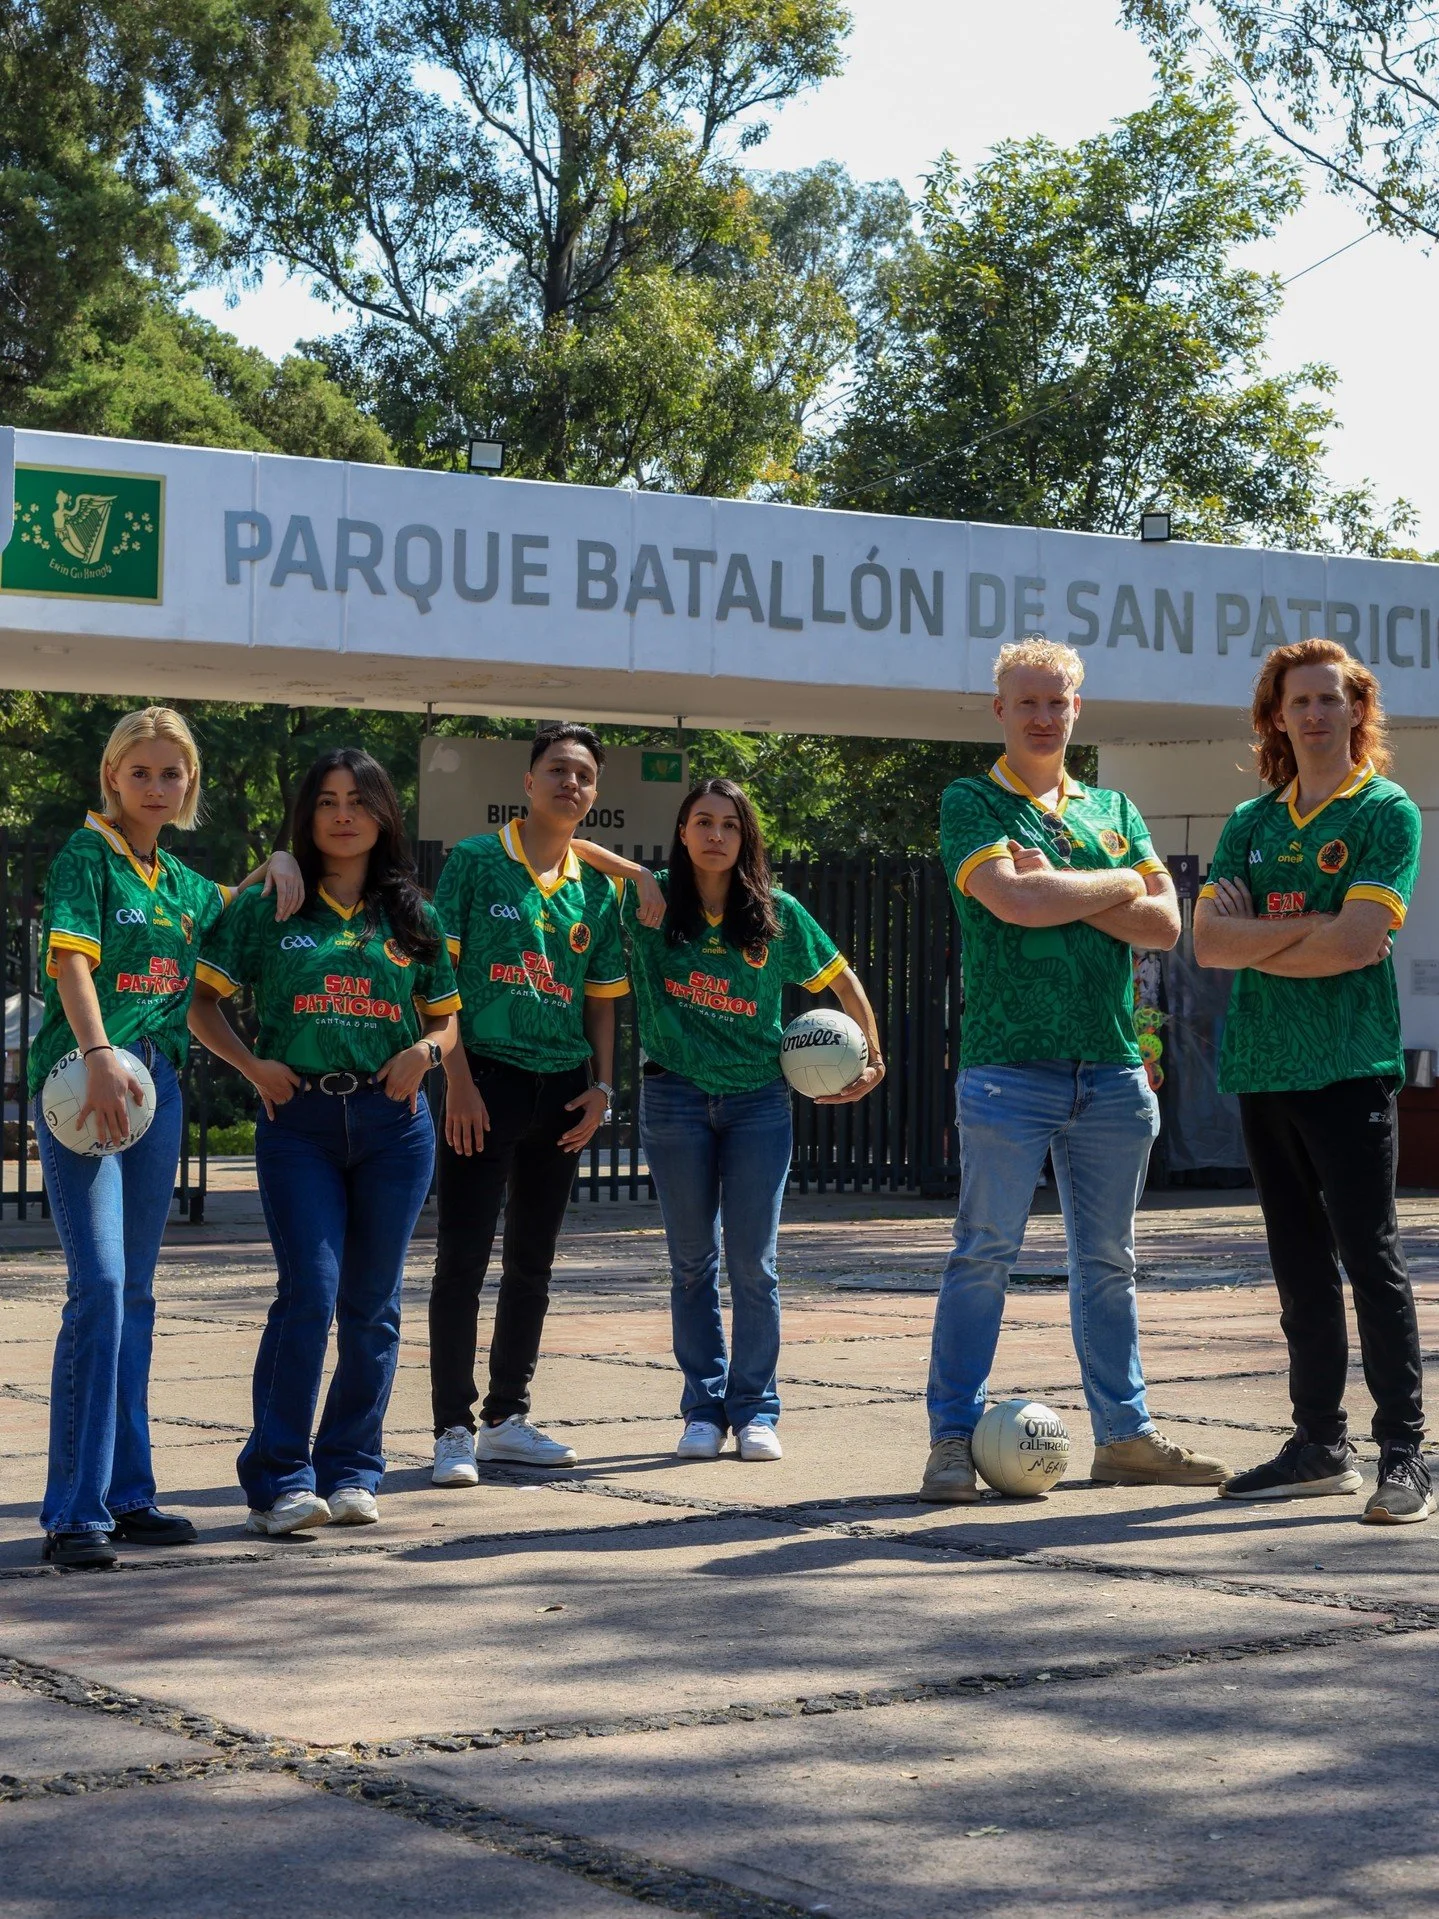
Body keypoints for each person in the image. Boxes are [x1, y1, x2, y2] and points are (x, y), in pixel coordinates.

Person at [922, 638, 1231, 1502]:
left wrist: (1062, 880)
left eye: (1057, 702)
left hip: (1110, 1069)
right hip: (1004, 1069)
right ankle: (951, 1438)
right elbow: (1012, 903)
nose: (1042, 716)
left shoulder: (1112, 804)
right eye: (1026, 702)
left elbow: (1166, 924)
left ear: (1076, 708)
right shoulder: (969, 800)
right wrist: (1111, 890)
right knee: (983, 1253)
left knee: (1109, 1262)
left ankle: (1124, 1438)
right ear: (999, 710)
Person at [31, 706, 302, 1569]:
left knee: (138, 1294)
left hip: (159, 1089)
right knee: (101, 1286)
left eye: (172, 774)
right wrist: (98, 1050)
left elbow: (240, 899)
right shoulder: (87, 858)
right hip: (87, 1081)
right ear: (112, 776)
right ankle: (74, 1512)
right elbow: (72, 961)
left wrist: (282, 858)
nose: (157, 786)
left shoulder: (176, 881)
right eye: (141, 771)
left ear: (189, 785)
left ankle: (129, 1494)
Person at [190, 749, 459, 1535]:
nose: (342, 814)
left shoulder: (414, 915)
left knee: (372, 1307)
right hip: (297, 1121)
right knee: (308, 1293)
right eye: (326, 801)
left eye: (358, 800)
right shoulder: (271, 905)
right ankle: (280, 1478)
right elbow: (201, 1006)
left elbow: (445, 1017)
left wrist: (427, 1052)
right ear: (306, 815)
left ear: (383, 814)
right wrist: (251, 1066)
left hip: (393, 1126)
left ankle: (352, 1470)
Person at [578, 777, 884, 1459]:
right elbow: (567, 843)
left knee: (753, 1264)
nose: (715, 835)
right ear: (682, 832)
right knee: (691, 1261)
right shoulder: (648, 901)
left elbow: (841, 980)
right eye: (702, 822)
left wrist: (874, 1055)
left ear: (746, 839)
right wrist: (637, 874)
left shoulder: (777, 912)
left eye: (729, 825)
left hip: (757, 1102)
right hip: (674, 1097)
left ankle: (755, 1410)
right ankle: (702, 1407)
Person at [1194, 640, 1429, 1522]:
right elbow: (1207, 944)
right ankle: (1317, 1445)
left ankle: (1403, 1454)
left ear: (1356, 709)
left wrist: (1269, 936)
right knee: (1297, 1265)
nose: (1316, 714)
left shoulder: (1384, 811)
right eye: (1300, 701)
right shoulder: (1250, 824)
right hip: (1262, 1065)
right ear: (1276, 715)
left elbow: (1357, 943)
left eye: (1332, 698)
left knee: (1370, 1259)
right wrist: (1304, 934)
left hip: (1347, 1068)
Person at [427, 723, 627, 1486]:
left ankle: (506, 1417)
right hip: (486, 1079)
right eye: (556, 770)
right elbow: (438, 985)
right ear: (528, 780)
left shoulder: (596, 888)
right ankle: (451, 1427)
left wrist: (602, 1088)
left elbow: (603, 1002)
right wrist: (460, 1081)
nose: (568, 783)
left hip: (565, 1088)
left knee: (532, 1264)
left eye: (582, 774)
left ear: (593, 793)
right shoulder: (476, 863)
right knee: (462, 1262)